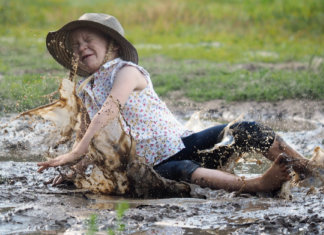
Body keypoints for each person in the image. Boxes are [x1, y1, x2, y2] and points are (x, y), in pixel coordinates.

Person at [37, 13, 313, 194]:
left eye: (88, 40)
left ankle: (305, 168)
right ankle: (255, 185)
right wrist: (75, 170)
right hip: (154, 168)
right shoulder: (87, 91)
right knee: (181, 172)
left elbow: (110, 110)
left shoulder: (127, 71)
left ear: (113, 46)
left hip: (183, 145)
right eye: (75, 45)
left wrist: (76, 153)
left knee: (245, 128)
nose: (81, 47)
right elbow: (87, 136)